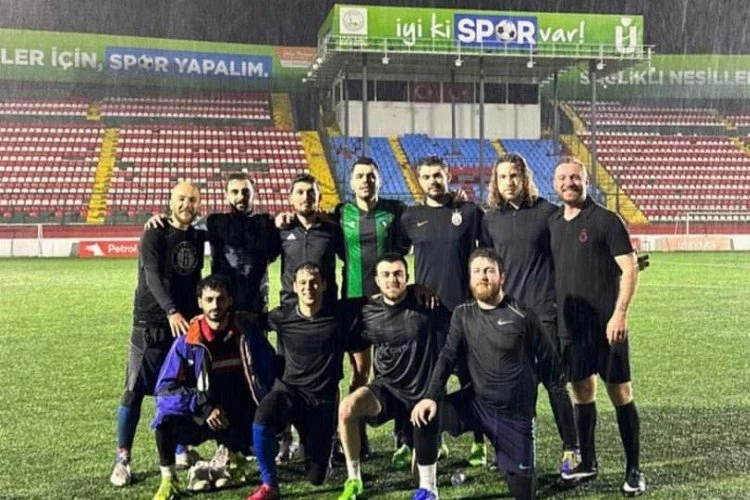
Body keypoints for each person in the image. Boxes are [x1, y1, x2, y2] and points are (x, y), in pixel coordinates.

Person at [411, 248, 554, 500]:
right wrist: (431, 396)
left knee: (524, 494)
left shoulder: (523, 316)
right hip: (477, 405)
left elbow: (552, 370)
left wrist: (570, 442)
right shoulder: (463, 313)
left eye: (489, 270)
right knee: (425, 415)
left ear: (502, 276)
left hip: (513, 418)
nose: (482, 276)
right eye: (476, 271)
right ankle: (428, 490)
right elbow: (447, 356)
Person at [548, 157, 645, 497]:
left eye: (575, 177)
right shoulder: (553, 223)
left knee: (620, 394)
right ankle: (587, 462)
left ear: (586, 181)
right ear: (554, 183)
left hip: (607, 328)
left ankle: (634, 469)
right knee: (582, 393)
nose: (569, 183)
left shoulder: (606, 220)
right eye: (562, 178)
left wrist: (620, 313)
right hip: (571, 329)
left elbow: (630, 269)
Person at [482, 153, 579, 476]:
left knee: (555, 384)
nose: (509, 182)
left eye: (514, 175)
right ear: (495, 182)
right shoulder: (490, 220)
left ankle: (572, 449)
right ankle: (510, 450)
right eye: (503, 176)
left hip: (543, 314)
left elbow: (569, 256)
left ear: (525, 178)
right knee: (510, 388)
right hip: (507, 316)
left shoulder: (547, 214)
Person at [110, 182, 206, 487]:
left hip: (184, 323)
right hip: (151, 322)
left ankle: (180, 449)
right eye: (181, 199)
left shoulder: (197, 235)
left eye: (192, 200)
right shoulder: (155, 233)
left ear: (199, 204)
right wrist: (170, 310)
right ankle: (123, 458)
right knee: (135, 389)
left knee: (180, 386)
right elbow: (151, 275)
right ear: (170, 201)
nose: (186, 205)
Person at [150, 275, 276, 500]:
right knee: (164, 421)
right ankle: (169, 480)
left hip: (238, 415)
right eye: (209, 300)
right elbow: (164, 391)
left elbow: (269, 370)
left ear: (230, 300)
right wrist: (204, 407)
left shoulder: (246, 335)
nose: (215, 305)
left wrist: (270, 409)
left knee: (269, 419)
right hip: (201, 414)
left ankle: (234, 457)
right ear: (200, 302)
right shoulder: (187, 341)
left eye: (220, 299)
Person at [246, 263, 365, 500]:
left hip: (322, 401)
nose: (308, 288)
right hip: (289, 393)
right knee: (263, 413)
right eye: (302, 283)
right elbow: (251, 320)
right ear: (294, 286)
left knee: (316, 478)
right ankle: (269, 484)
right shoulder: (282, 316)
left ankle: (321, 450)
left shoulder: (338, 314)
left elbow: (377, 299)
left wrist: (414, 290)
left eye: (314, 282)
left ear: (324, 285)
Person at [337, 254, 450, 500]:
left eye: (398, 274)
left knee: (419, 481)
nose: (392, 280)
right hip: (387, 390)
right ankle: (353, 479)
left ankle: (428, 454)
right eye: (386, 275)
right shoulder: (366, 311)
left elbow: (457, 332)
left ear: (407, 278)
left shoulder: (426, 304)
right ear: (377, 281)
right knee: (347, 408)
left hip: (421, 396)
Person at [399, 155, 486, 467]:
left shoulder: (469, 212)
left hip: (465, 312)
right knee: (430, 380)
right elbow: (395, 259)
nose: (432, 181)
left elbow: (487, 255)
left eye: (437, 175)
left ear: (447, 175)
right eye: (426, 177)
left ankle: (479, 441)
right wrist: (412, 287)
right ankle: (434, 440)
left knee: (471, 378)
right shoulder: (410, 217)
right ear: (418, 180)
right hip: (427, 315)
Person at [332, 156, 409, 458]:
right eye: (360, 176)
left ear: (380, 180)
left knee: (395, 369)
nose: (366, 180)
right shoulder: (341, 213)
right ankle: (357, 436)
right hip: (353, 304)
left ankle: (403, 435)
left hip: (389, 303)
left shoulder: (395, 211)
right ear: (351, 183)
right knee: (361, 371)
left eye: (371, 176)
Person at [145, 172, 280, 314]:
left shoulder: (268, 225)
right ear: (226, 195)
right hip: (222, 308)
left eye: (245, 191)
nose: (241, 196)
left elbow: (275, 252)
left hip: (256, 308)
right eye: (235, 192)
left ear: (253, 193)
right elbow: (183, 224)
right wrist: (165, 220)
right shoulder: (215, 223)